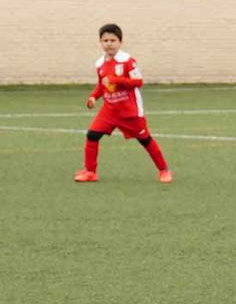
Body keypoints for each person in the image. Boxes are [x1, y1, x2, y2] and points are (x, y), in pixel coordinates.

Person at [74, 24, 172, 184]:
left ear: (120, 42)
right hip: (109, 110)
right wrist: (93, 97)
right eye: (105, 40)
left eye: (113, 40)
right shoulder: (99, 63)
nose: (109, 43)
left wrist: (116, 79)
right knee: (92, 135)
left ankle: (164, 170)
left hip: (129, 111)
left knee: (145, 140)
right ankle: (90, 172)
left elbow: (138, 81)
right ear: (100, 42)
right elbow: (102, 84)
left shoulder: (127, 61)